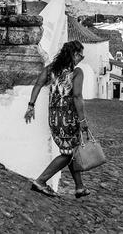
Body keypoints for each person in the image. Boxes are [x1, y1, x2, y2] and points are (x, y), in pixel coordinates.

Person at [24, 40, 90, 199]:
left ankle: (79, 187)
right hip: (68, 118)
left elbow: (38, 85)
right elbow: (77, 96)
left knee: (71, 150)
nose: (82, 58)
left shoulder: (50, 70)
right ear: (74, 55)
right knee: (67, 154)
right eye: (81, 55)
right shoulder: (76, 73)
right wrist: (82, 121)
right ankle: (41, 181)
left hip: (54, 118)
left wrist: (31, 106)